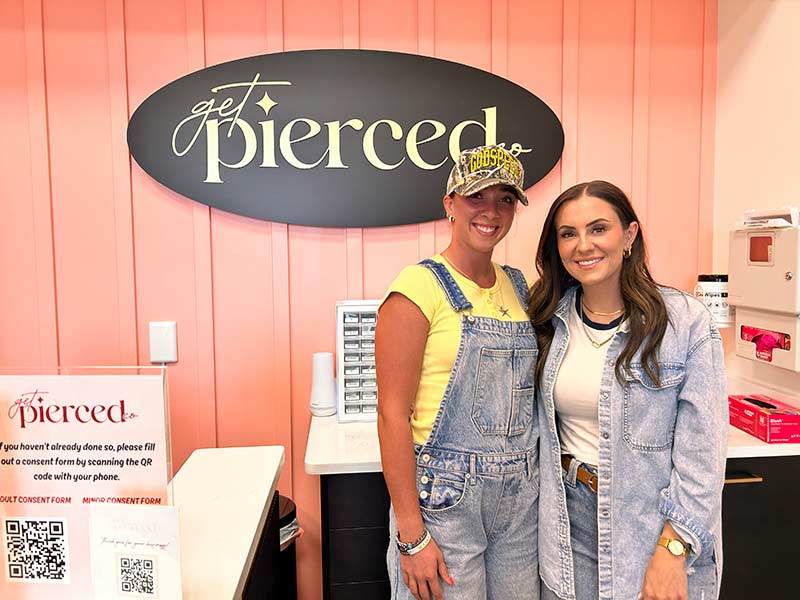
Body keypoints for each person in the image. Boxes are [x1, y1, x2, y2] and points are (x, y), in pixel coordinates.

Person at [529, 181, 727, 600]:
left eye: (598, 229)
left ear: (629, 236)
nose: (583, 245)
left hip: (650, 528)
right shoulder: (548, 319)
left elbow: (703, 455)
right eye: (568, 234)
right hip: (566, 524)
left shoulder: (684, 323)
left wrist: (673, 549)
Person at [376, 145, 540, 600]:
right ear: (450, 203)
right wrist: (411, 534)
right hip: (445, 505)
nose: (491, 211)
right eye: (476, 197)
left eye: (505, 199)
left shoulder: (521, 287)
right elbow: (392, 414)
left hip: (519, 505)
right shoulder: (417, 287)